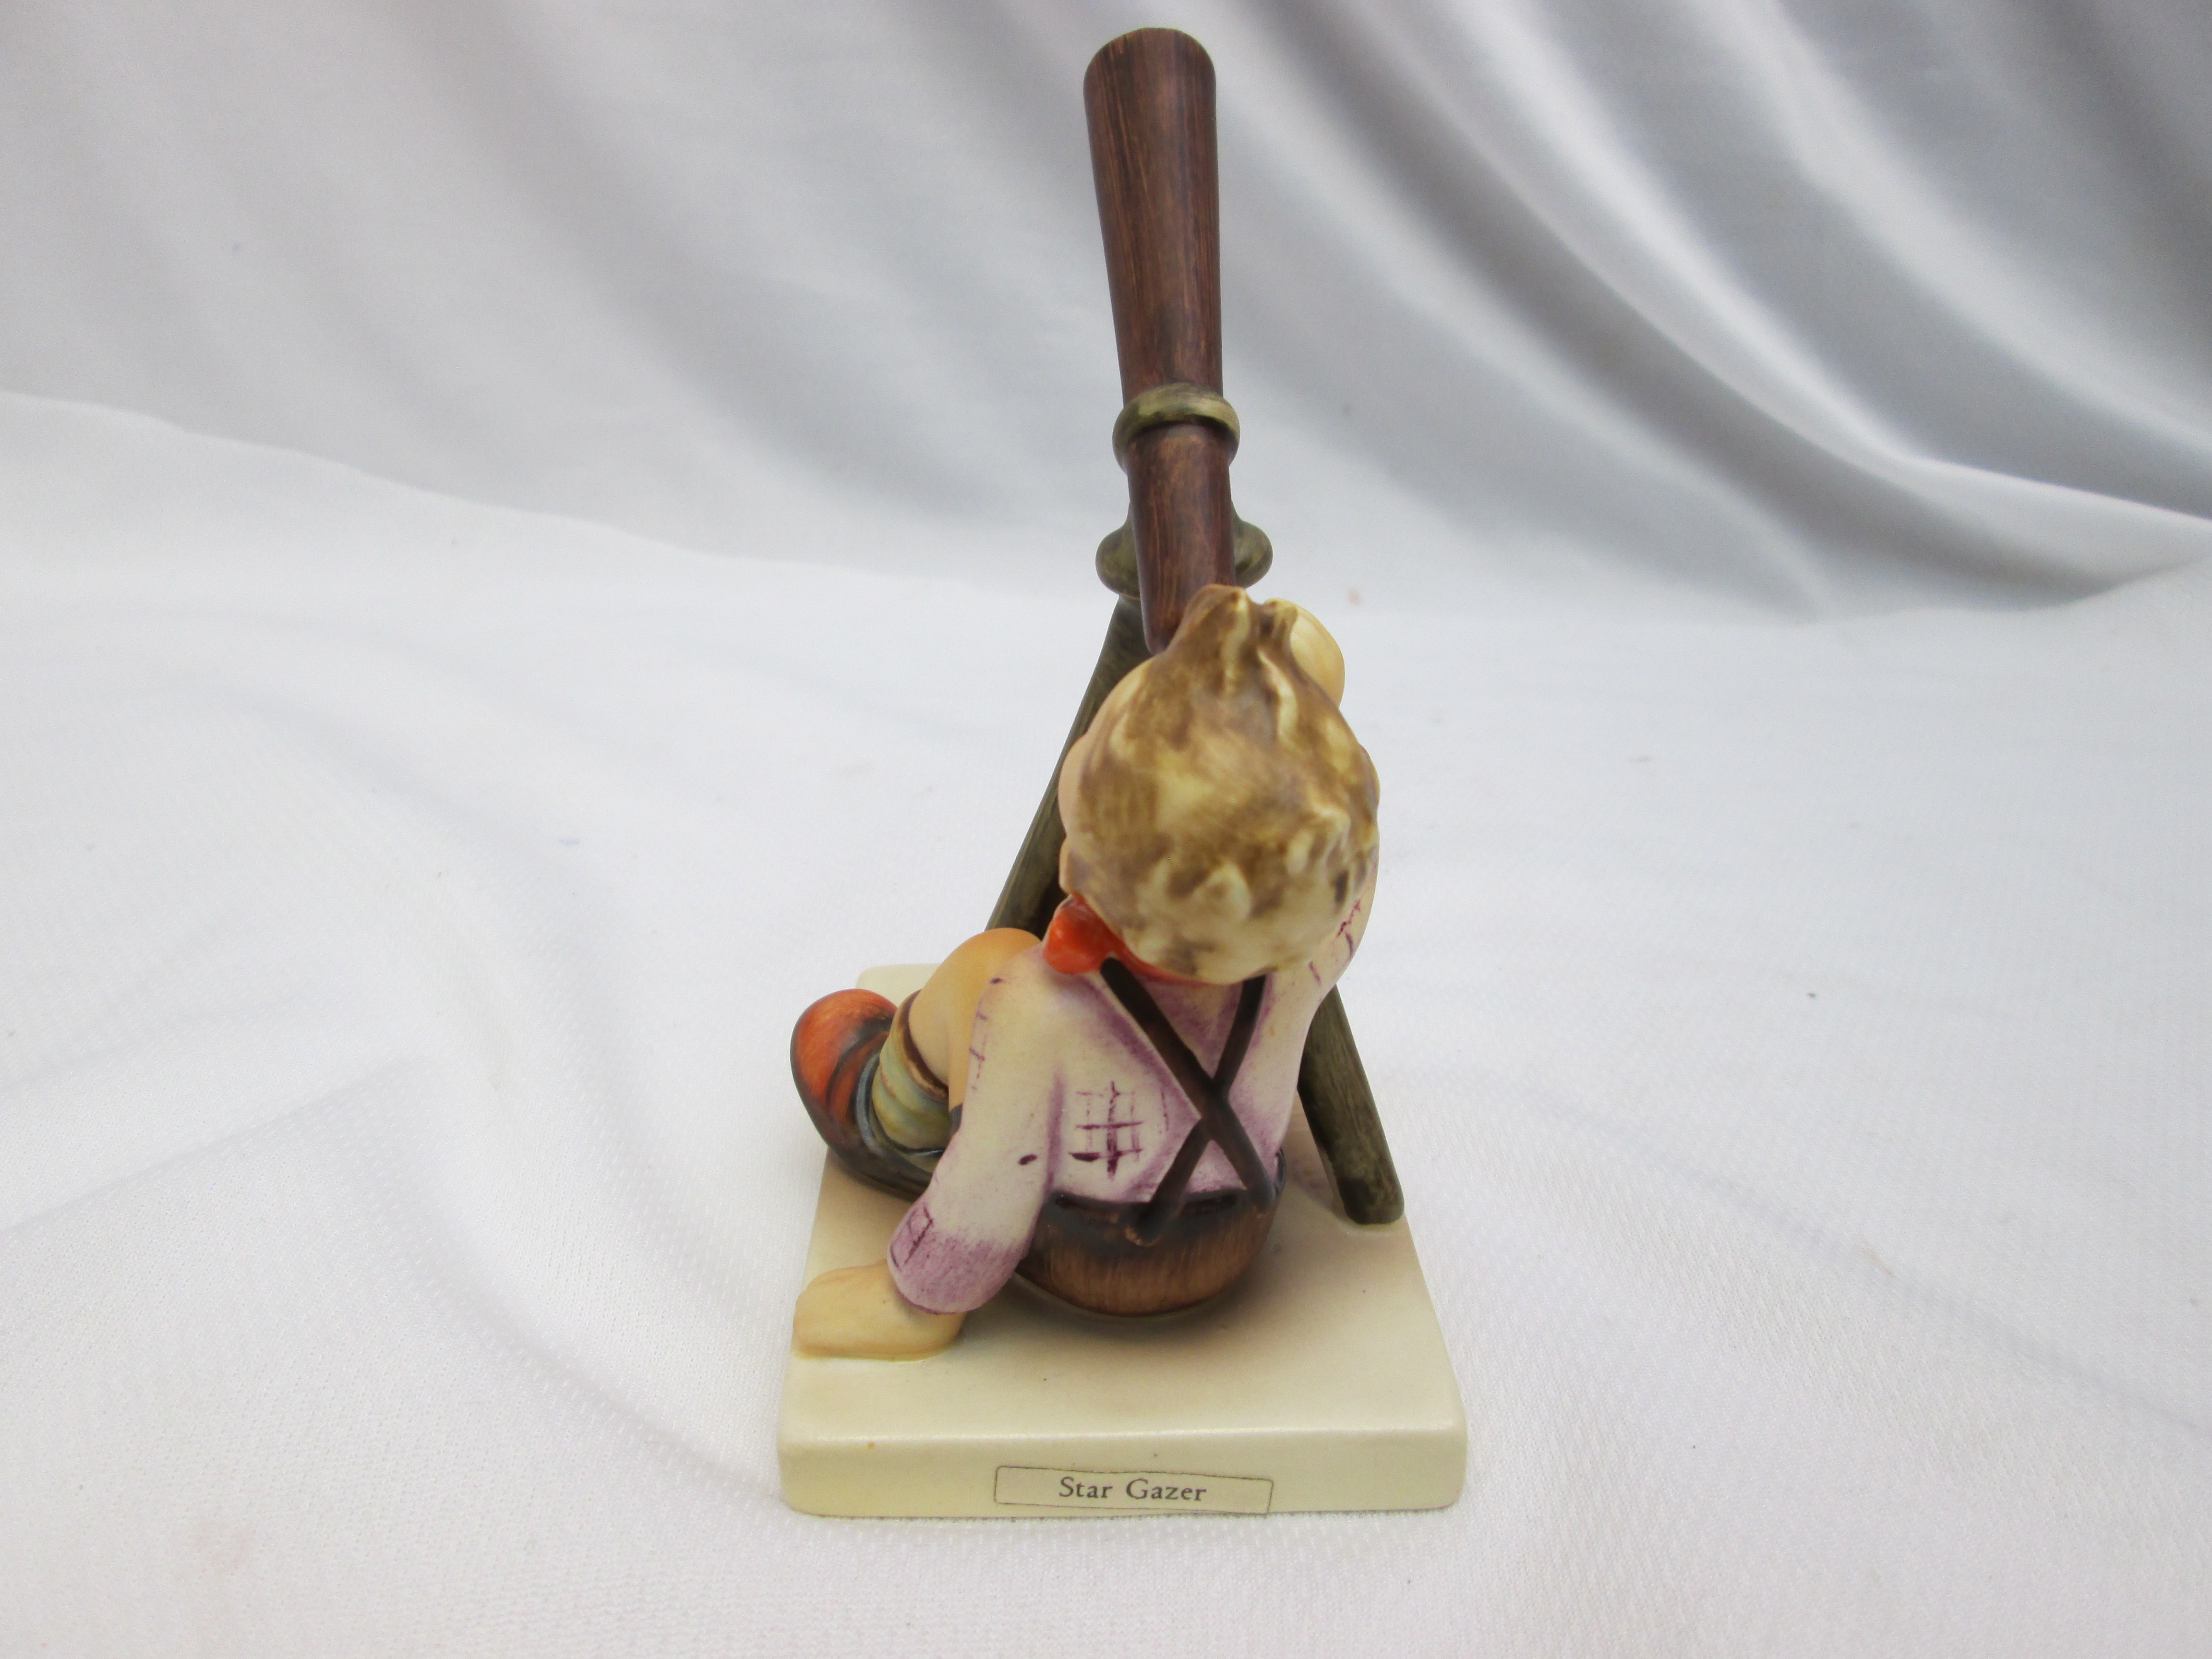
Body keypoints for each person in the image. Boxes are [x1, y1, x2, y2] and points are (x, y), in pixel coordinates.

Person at [788, 583, 1379, 1358]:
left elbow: (988, 1196)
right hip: (1237, 1236)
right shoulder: (1305, 952)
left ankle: (892, 1114)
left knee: (985, 963)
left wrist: (914, 1302)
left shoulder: (1037, 1013)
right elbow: (1348, 858)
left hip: (1092, 1257)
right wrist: (1296, 716)